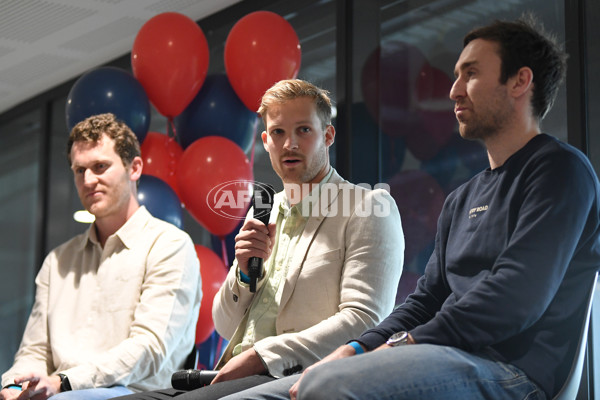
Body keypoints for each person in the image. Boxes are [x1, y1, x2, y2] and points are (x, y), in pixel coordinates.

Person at [222, 15, 600, 400]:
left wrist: (401, 345)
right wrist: (356, 348)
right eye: (455, 75)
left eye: (469, 74)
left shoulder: (560, 171)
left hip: (513, 372)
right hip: (446, 356)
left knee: (326, 384)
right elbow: (426, 300)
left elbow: (513, 298)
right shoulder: (462, 198)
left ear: (520, 81)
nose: (453, 90)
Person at [112, 79, 404, 400]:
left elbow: (364, 320)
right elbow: (224, 324)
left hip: (295, 373)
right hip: (231, 372)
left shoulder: (367, 207)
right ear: (265, 141)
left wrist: (262, 355)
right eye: (278, 133)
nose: (290, 143)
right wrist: (243, 272)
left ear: (328, 136)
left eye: (304, 130)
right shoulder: (263, 211)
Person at [0, 113, 202, 400]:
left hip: (135, 393)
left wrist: (64, 382)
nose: (88, 179)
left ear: (134, 168)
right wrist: (16, 385)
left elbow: (149, 348)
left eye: (100, 166)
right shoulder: (57, 261)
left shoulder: (170, 245)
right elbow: (34, 351)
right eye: (79, 170)